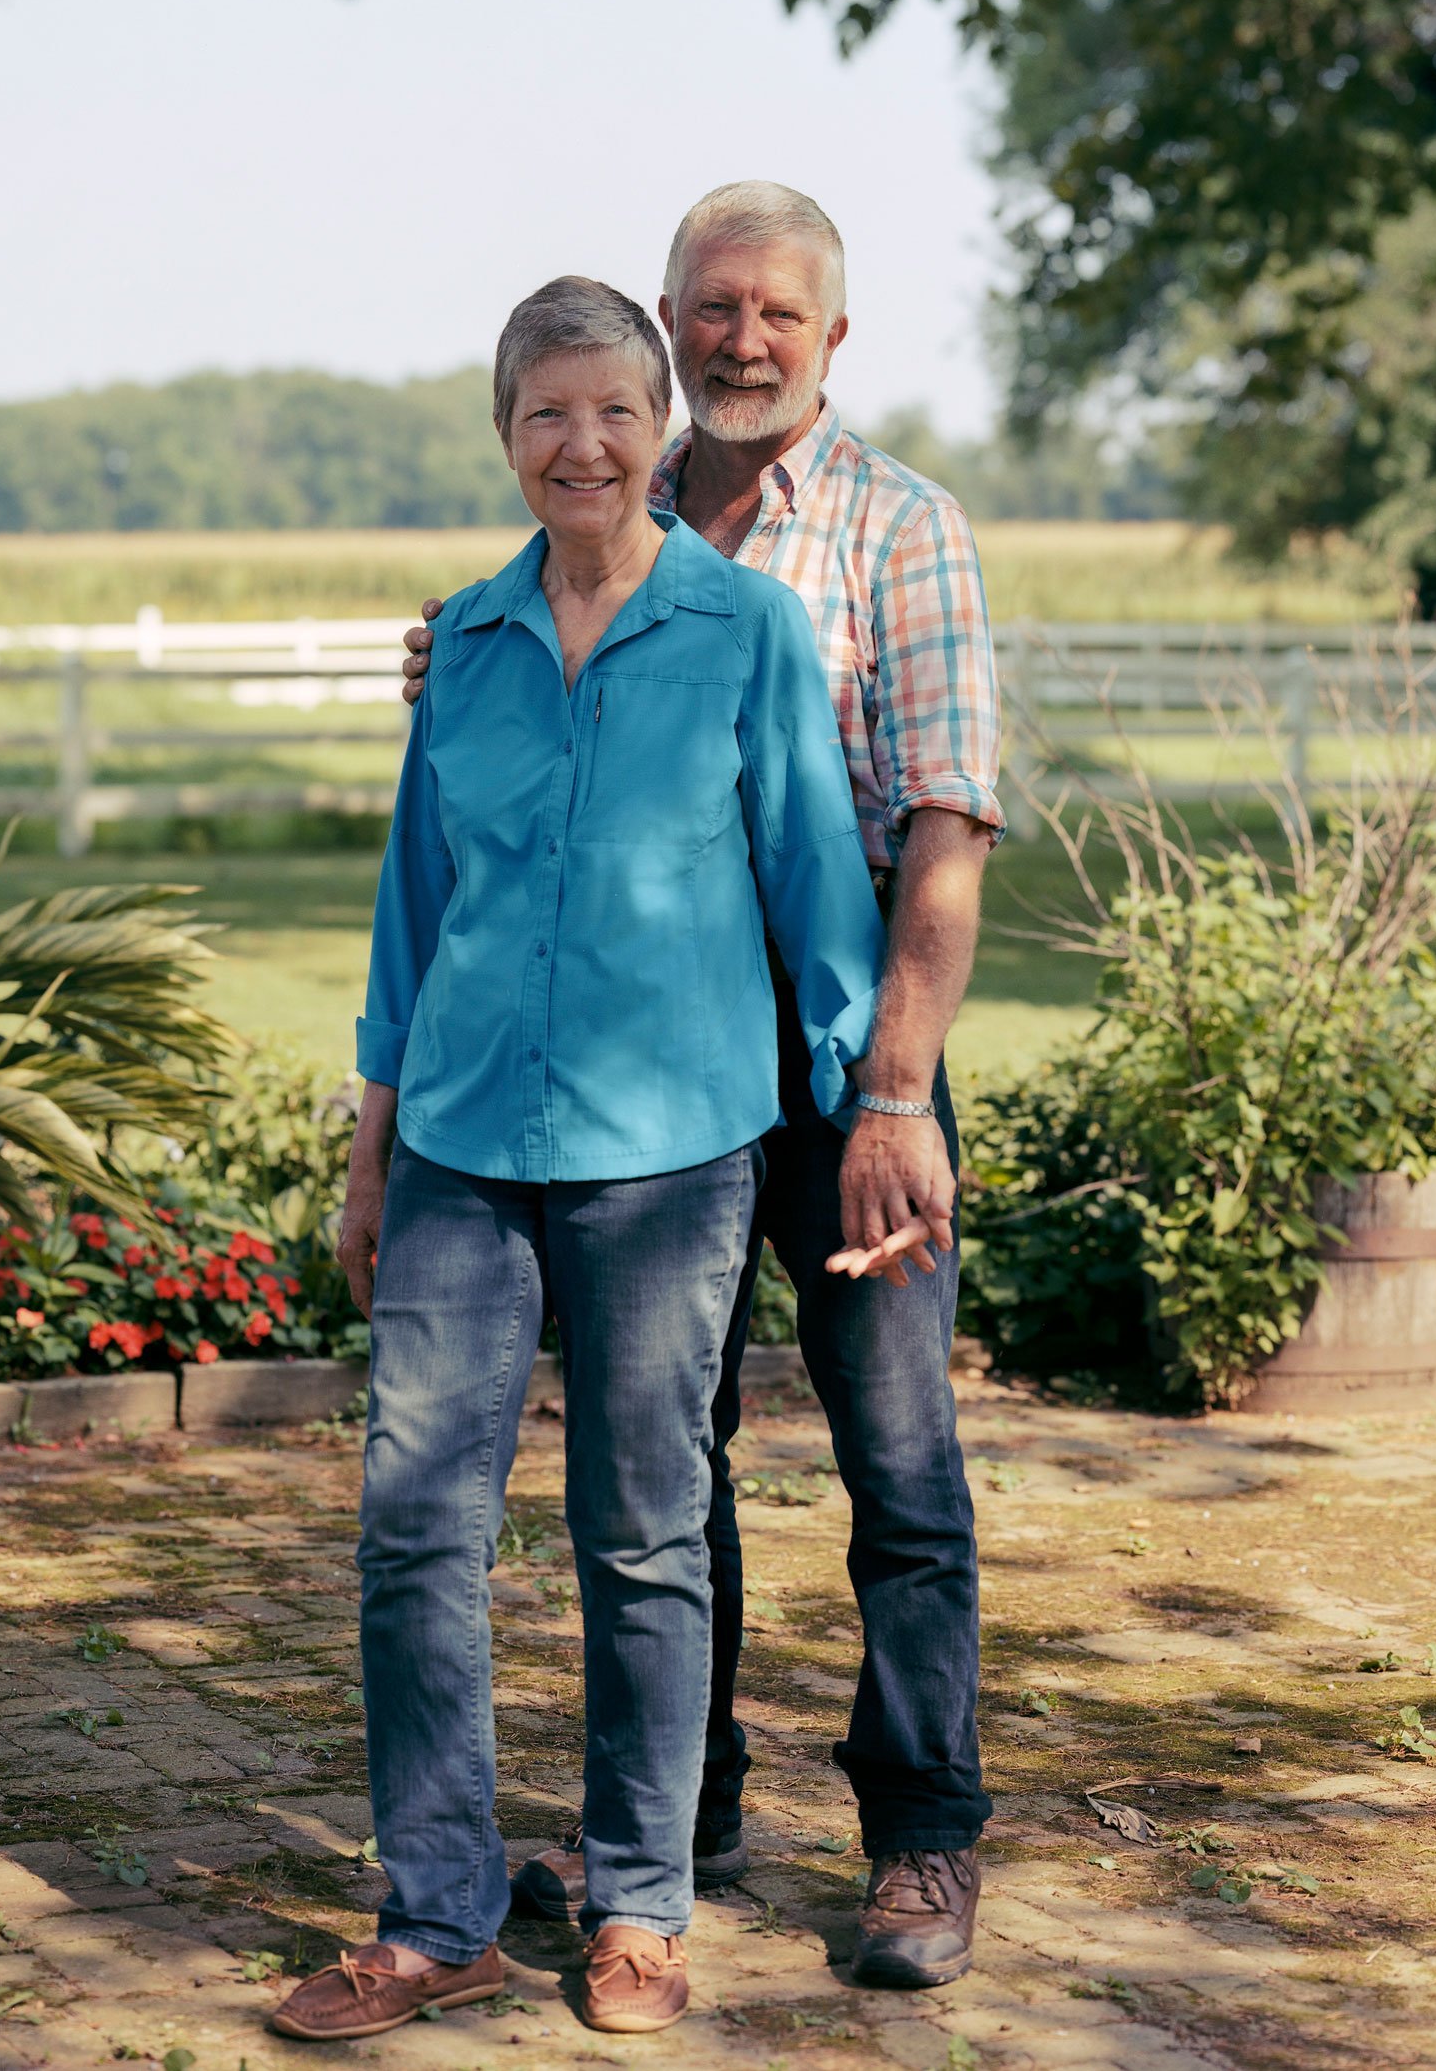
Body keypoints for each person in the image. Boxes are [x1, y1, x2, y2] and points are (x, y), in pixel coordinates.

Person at [269, 276, 887, 2045]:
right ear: (507, 436)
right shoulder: (461, 645)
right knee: (412, 1535)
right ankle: (438, 1910)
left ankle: (638, 1909)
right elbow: (415, 915)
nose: (585, 444)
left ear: (657, 422)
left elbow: (817, 898)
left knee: (644, 1536)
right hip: (462, 1140)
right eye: (547, 413)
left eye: (616, 409)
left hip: (670, 1154)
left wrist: (877, 1123)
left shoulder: (746, 634)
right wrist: (374, 1153)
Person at [401, 185, 1004, 1990]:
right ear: (671, 331)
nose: (746, 340)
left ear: (835, 337)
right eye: (716, 310)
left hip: (848, 1068)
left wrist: (894, 1091)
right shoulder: (622, 510)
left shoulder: (902, 529)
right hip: (638, 1079)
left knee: (897, 1457)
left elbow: (944, 832)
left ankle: (920, 1841)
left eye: (781, 315)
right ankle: (678, 1826)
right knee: (676, 1460)